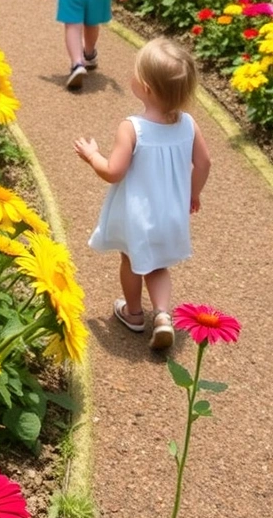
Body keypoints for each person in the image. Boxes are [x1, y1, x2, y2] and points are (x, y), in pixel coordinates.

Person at [74, 37, 212, 350]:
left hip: (137, 215)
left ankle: (134, 313)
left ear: (146, 87)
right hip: (172, 214)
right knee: (159, 264)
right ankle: (163, 314)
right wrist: (194, 193)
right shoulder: (188, 124)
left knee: (132, 259)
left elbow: (113, 172)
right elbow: (204, 162)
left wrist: (92, 155)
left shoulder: (132, 127)